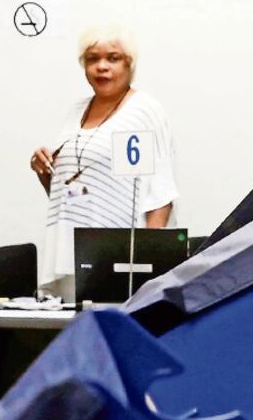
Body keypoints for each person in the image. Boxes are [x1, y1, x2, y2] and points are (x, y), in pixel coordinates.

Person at [31, 26, 177, 303]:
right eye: (92, 59)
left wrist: (146, 267)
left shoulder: (141, 111)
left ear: (129, 64)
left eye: (112, 58)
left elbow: (160, 194)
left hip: (118, 261)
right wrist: (45, 170)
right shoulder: (76, 111)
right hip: (70, 252)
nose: (101, 67)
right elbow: (71, 193)